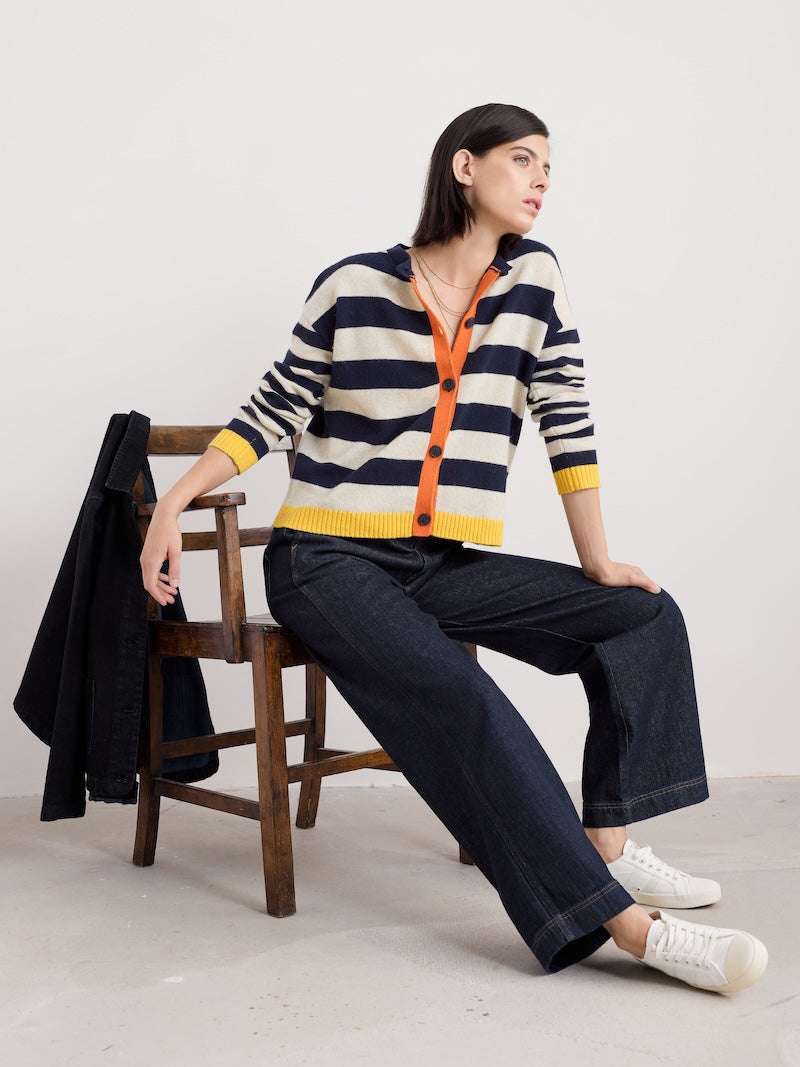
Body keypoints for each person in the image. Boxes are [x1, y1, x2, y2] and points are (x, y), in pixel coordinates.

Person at [140, 103, 767, 993]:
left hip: (439, 561)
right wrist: (174, 501)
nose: (543, 178)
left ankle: (605, 848)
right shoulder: (352, 284)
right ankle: (629, 928)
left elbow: (568, 422)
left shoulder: (535, 281)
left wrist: (597, 558)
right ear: (464, 169)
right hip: (325, 561)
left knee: (641, 617)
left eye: (550, 164)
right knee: (464, 697)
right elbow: (269, 414)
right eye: (523, 159)